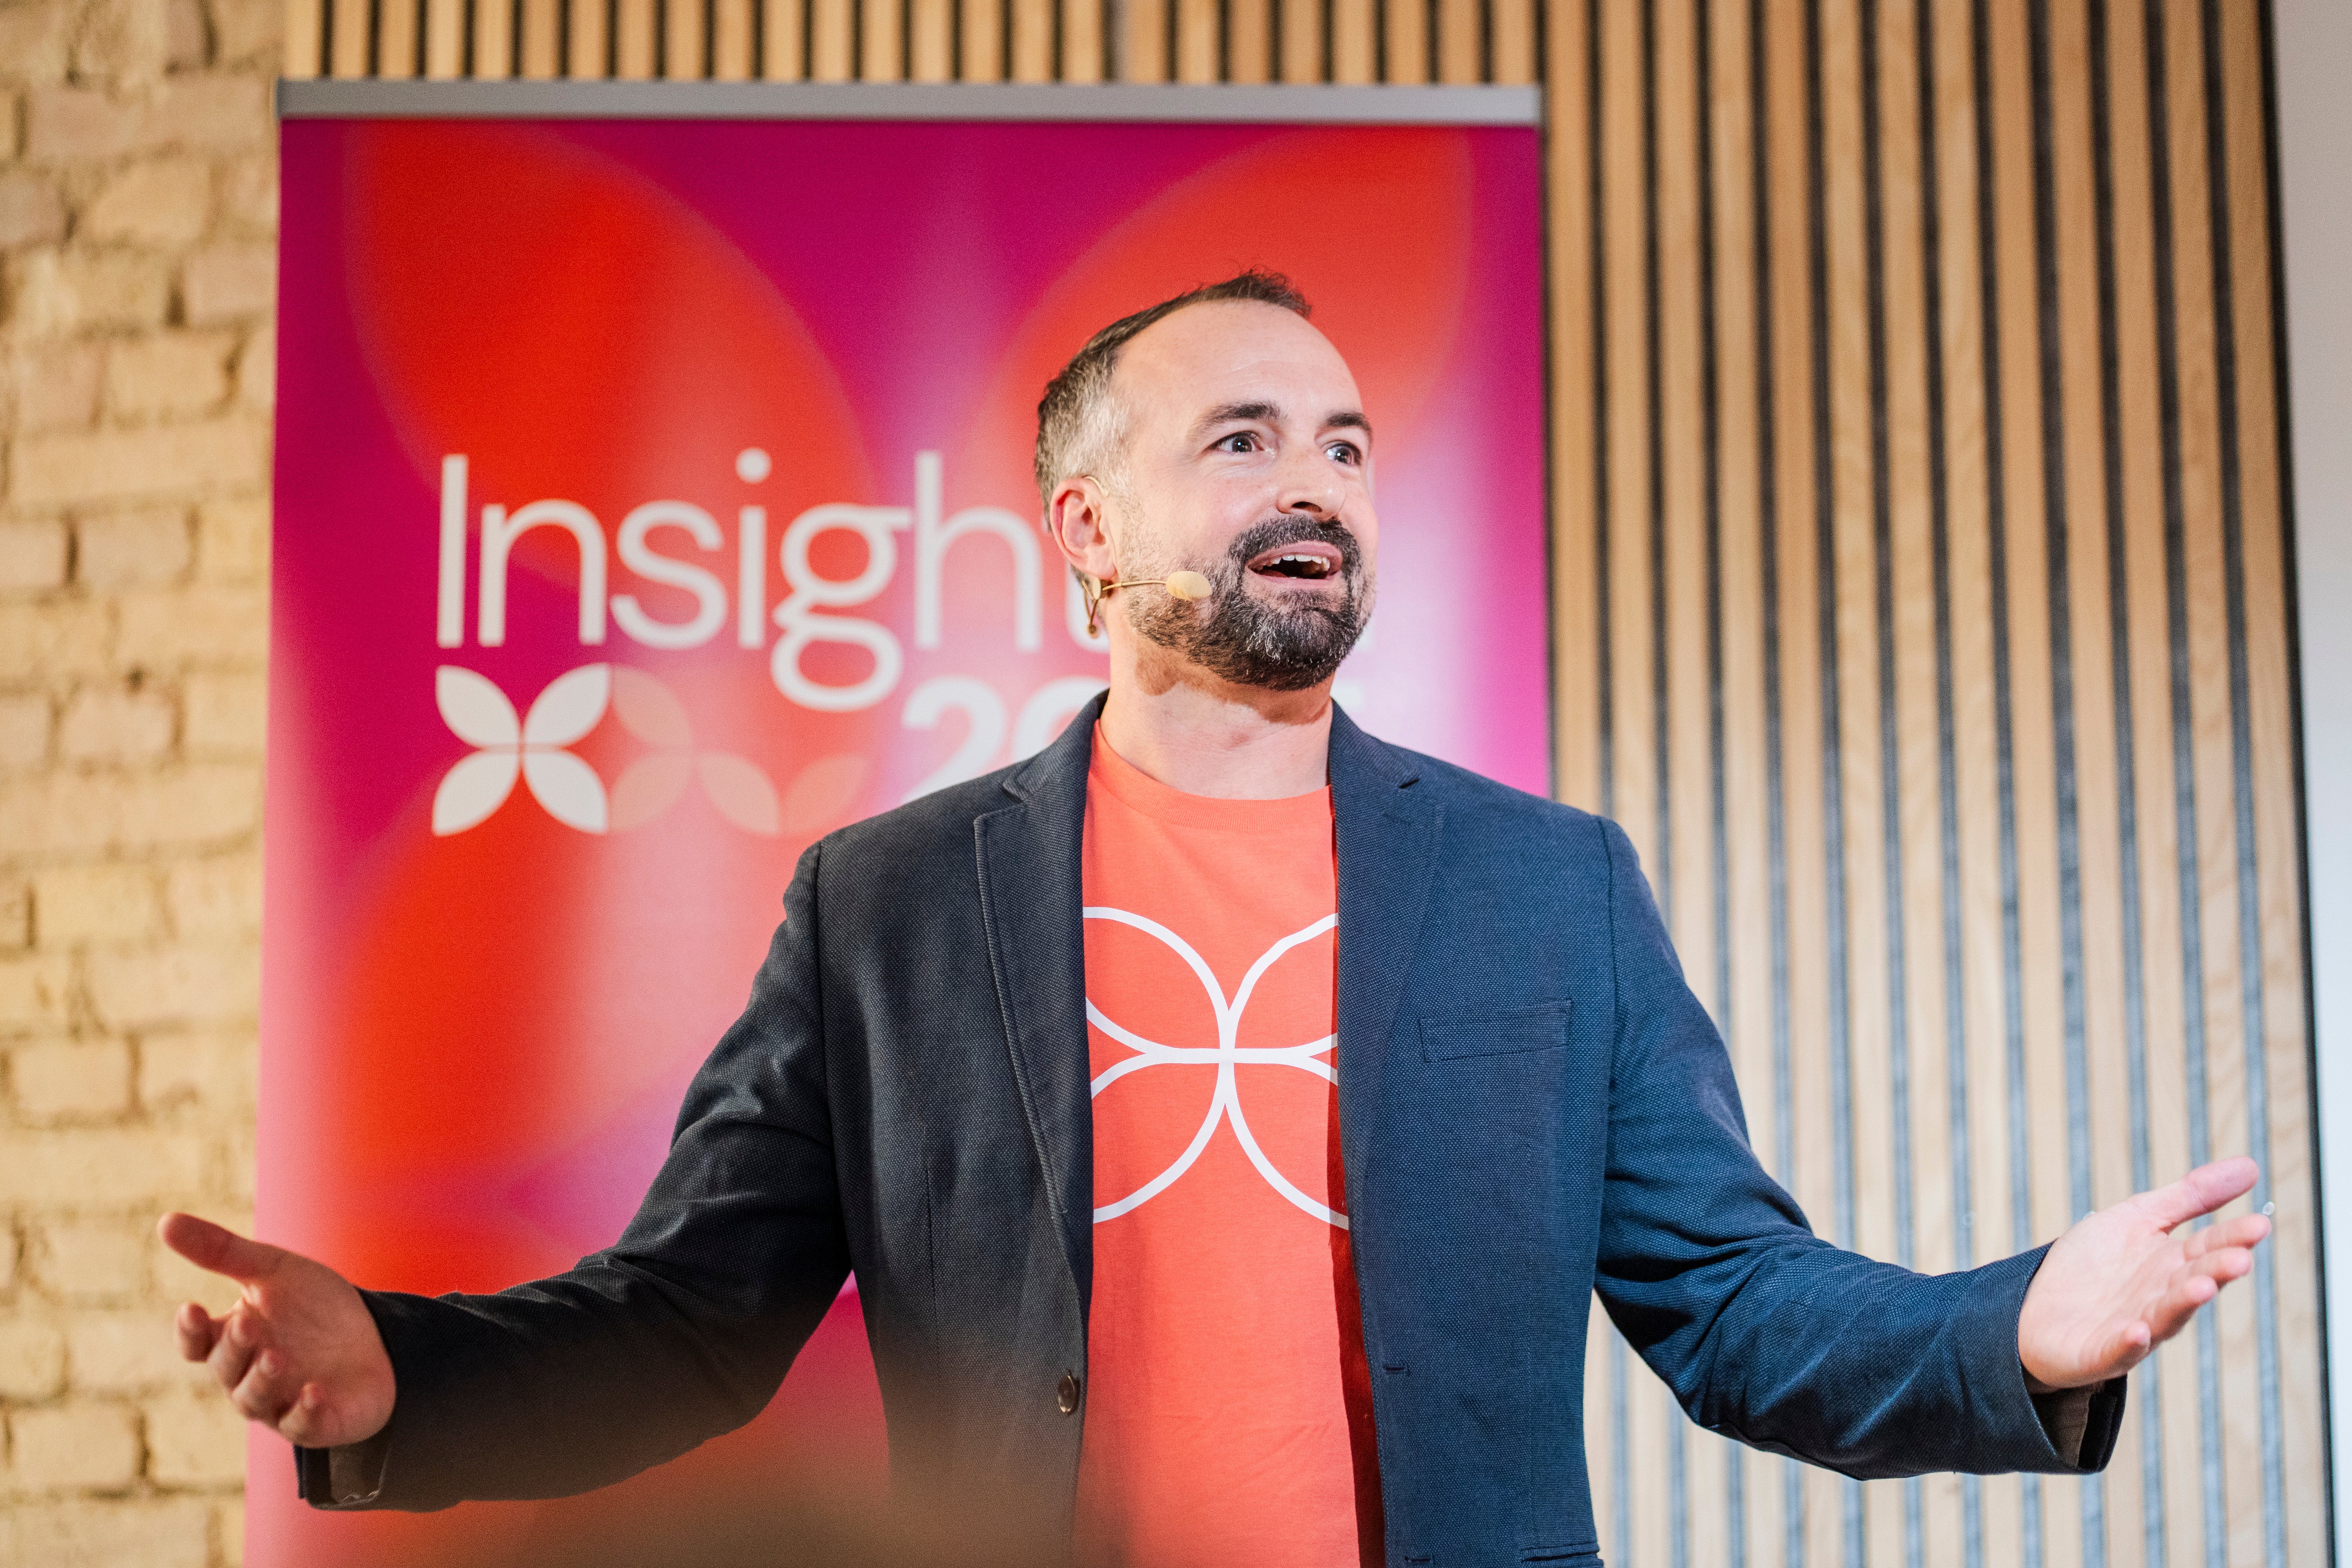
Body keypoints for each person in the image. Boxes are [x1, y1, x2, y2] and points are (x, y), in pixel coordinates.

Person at [161, 271, 2271, 1568]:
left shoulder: (1553, 891)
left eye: (1347, 439)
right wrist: (404, 1386)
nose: (1317, 478)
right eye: (1244, 434)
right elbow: (694, 1322)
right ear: (1084, 526)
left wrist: (2010, 1327)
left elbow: (1734, 1305)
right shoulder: (884, 907)